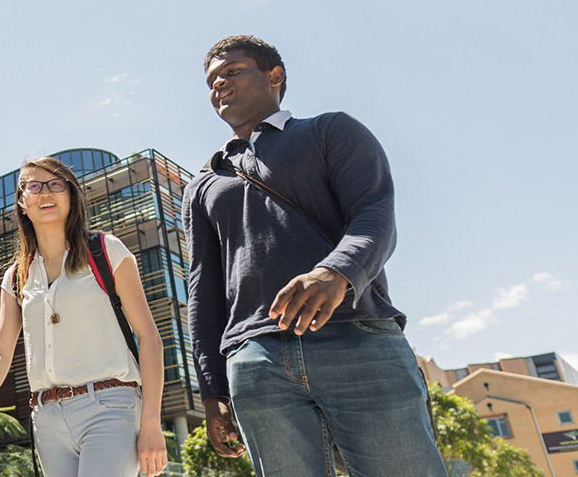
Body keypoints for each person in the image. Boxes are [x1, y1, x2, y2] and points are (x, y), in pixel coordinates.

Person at [184, 35, 447, 475]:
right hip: (254, 358)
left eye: (232, 72)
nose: (220, 86)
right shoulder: (204, 183)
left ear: (274, 76)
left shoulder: (330, 130)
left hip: (357, 336)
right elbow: (203, 291)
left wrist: (335, 272)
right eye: (212, 82)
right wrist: (212, 389)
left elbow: (375, 214)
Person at [0, 157, 167, 476]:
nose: (46, 193)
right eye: (34, 186)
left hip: (110, 407)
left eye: (56, 184)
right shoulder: (16, 276)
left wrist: (152, 423)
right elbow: (1, 351)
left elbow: (149, 339)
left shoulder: (106, 251)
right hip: (46, 417)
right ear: (22, 202)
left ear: (71, 196)